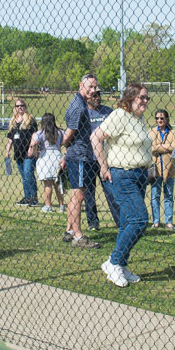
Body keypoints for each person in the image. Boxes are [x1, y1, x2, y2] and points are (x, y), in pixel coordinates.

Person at [92, 83, 153, 287]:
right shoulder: (120, 115)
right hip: (123, 175)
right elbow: (95, 137)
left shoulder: (139, 118)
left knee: (127, 222)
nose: (145, 101)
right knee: (139, 220)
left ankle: (122, 264)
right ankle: (114, 262)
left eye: (146, 98)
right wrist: (103, 167)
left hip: (140, 175)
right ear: (130, 98)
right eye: (141, 97)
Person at [59, 73, 100, 248]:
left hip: (79, 155)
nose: (93, 90)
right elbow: (67, 136)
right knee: (78, 195)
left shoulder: (80, 103)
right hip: (80, 156)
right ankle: (78, 236)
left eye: (95, 87)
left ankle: (69, 230)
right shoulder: (79, 107)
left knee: (75, 194)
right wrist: (66, 149)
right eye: (90, 87)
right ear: (80, 86)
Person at [85, 87, 121, 231]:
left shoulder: (108, 112)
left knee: (111, 190)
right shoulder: (83, 113)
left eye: (98, 95)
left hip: (106, 159)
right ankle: (92, 222)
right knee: (89, 192)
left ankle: (120, 221)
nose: (97, 98)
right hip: (88, 157)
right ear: (87, 98)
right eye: (94, 95)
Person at [149, 109, 175, 230]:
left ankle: (169, 221)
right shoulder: (151, 132)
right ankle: (156, 221)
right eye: (157, 118)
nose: (159, 120)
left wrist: (159, 147)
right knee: (155, 195)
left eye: (162, 118)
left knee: (168, 195)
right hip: (155, 169)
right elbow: (150, 148)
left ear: (166, 119)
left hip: (169, 169)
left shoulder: (172, 132)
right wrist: (166, 147)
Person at [30, 112, 66, 212]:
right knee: (57, 183)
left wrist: (35, 152)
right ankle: (61, 205)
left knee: (47, 183)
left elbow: (34, 144)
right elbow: (64, 142)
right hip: (57, 156)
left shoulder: (40, 133)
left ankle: (48, 205)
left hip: (45, 156)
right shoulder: (60, 132)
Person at [5, 98, 38, 206]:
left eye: (22, 105)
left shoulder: (30, 120)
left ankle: (34, 198)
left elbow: (34, 135)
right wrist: (7, 151)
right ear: (15, 108)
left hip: (28, 153)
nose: (20, 108)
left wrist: (31, 148)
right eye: (18, 106)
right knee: (24, 177)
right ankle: (27, 197)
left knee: (29, 174)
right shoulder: (13, 121)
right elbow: (10, 138)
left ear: (25, 106)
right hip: (18, 153)